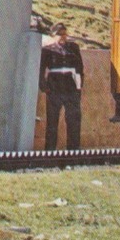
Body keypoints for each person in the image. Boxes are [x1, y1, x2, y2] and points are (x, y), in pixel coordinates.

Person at [39, 22, 84, 150]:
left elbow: (80, 69)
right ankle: (50, 153)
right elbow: (41, 69)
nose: (63, 37)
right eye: (59, 34)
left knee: (73, 121)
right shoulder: (47, 50)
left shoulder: (73, 48)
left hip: (71, 87)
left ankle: (73, 152)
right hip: (54, 87)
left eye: (64, 34)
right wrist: (44, 87)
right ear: (53, 35)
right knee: (52, 122)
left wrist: (79, 88)